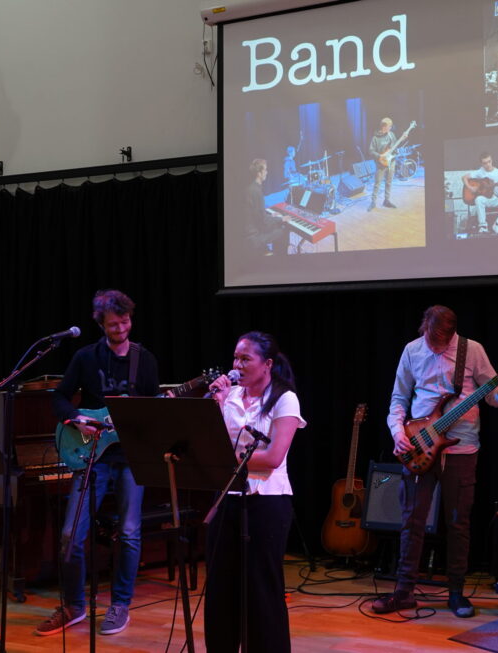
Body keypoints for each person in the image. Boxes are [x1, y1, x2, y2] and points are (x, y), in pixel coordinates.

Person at [375, 306, 498, 618]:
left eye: (440, 343)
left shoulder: (473, 350)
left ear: (452, 334)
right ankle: (403, 591)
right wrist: (398, 433)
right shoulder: (412, 350)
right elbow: (398, 399)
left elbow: (493, 396)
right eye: (431, 341)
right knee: (411, 521)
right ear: (424, 330)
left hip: (461, 449)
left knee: (458, 523)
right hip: (418, 445)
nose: (435, 348)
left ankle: (456, 593)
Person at [36, 289, 162, 637]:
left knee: (130, 533)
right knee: (70, 535)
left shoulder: (144, 360)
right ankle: (74, 606)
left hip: (131, 457)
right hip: (92, 455)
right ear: (101, 325)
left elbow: (153, 409)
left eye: (125, 321)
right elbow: (60, 397)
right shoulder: (86, 357)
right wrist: (76, 419)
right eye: (113, 324)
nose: (121, 328)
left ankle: (120, 604)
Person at [204, 331, 306, 652]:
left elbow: (273, 457)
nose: (237, 365)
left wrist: (227, 460)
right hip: (228, 497)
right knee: (221, 587)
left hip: (268, 502)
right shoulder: (229, 396)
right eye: (236, 358)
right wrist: (219, 405)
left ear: (267, 364)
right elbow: (211, 446)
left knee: (261, 588)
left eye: (246, 358)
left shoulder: (284, 398)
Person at [463, 152, 498, 234]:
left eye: (489, 161)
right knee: (478, 199)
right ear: (481, 164)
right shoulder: (480, 171)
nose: (488, 164)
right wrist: (471, 188)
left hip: (497, 198)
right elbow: (464, 177)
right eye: (485, 163)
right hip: (486, 199)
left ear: (492, 161)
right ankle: (483, 226)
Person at [245, 158, 288, 256]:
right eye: (265, 170)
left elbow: (258, 215)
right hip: (255, 237)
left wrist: (272, 216)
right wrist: (281, 219)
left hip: (252, 230)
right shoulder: (256, 191)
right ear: (259, 173)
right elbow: (263, 222)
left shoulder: (252, 188)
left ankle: (272, 253)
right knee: (283, 230)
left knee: (275, 224)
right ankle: (280, 259)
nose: (267, 172)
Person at [368, 117, 398, 211]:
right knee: (377, 183)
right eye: (389, 126)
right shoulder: (375, 138)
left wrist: (402, 140)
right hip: (381, 163)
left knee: (389, 182)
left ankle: (386, 200)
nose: (391, 128)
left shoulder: (391, 135)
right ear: (384, 126)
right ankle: (373, 202)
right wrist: (379, 156)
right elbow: (371, 151)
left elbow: (395, 146)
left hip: (391, 162)